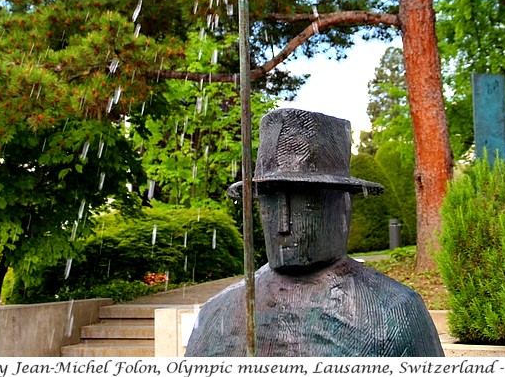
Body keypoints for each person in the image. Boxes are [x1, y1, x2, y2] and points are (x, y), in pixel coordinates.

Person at [184, 108, 444, 357]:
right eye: (270, 203)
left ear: (343, 206)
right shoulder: (216, 314)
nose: (282, 224)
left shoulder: (393, 311)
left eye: (304, 204)